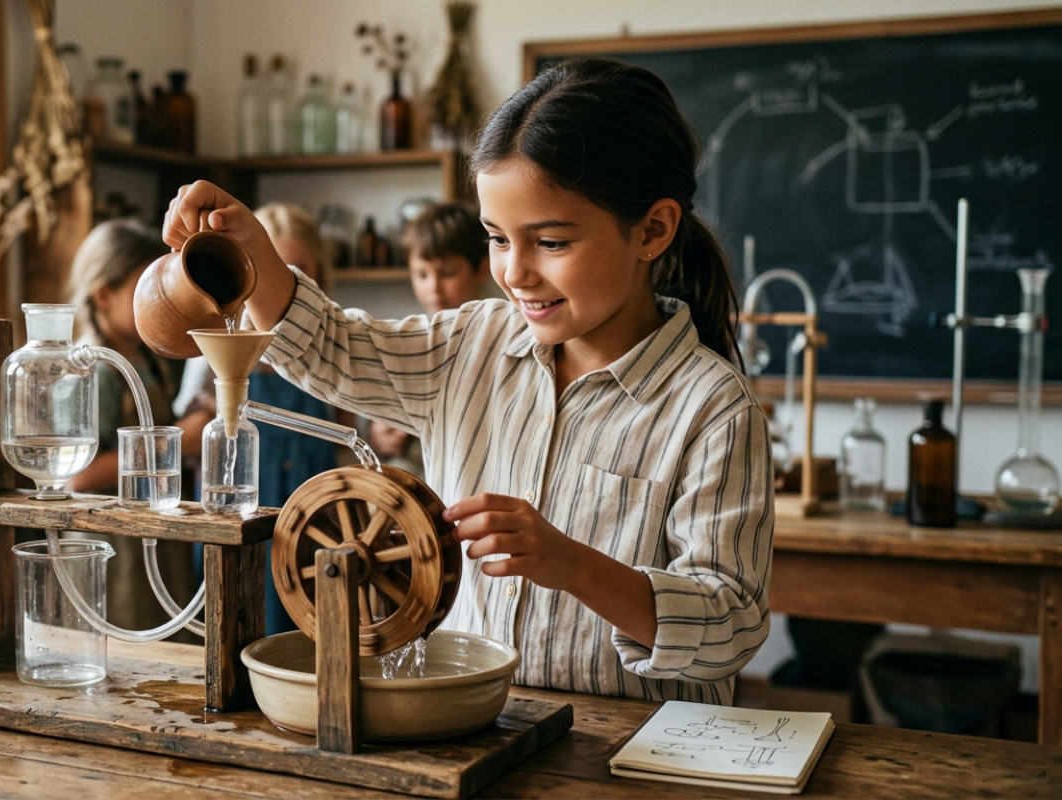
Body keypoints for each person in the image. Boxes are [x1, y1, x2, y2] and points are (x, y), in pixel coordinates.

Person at [158, 57, 772, 703]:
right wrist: (253, 245)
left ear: (652, 229)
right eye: (497, 239)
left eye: (551, 243)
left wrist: (573, 566)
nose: (515, 272)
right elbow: (335, 348)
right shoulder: (470, 344)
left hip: (633, 752)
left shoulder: (710, 407)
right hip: (475, 726)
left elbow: (729, 625)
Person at [174, 202, 346, 634]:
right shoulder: (219, 346)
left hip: (310, 517)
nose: (284, 280)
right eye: (274, 267)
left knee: (303, 629)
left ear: (318, 275)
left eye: (299, 269)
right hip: (238, 510)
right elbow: (188, 435)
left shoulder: (331, 352)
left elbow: (348, 428)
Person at [65, 218, 212, 634]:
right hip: (116, 552)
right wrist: (181, 441)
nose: (159, 300)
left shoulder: (147, 360)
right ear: (104, 294)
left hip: (155, 541)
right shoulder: (93, 370)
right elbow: (81, 476)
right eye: (144, 289)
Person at [369, 202, 492, 476]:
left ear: (482, 268)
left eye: (448, 273)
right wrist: (379, 431)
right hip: (410, 483)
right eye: (421, 274)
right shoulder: (405, 338)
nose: (433, 287)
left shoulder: (496, 338)